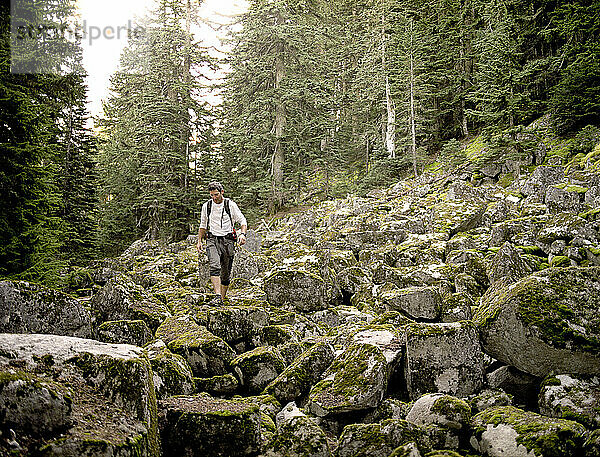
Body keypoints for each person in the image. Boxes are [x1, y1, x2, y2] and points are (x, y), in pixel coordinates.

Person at [197, 181, 247, 301]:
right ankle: (217, 296)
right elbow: (203, 225)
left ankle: (222, 299)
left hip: (228, 240)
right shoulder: (207, 206)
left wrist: (242, 234)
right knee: (214, 266)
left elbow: (243, 221)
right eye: (212, 195)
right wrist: (199, 241)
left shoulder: (230, 205)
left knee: (225, 273)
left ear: (222, 192)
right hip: (212, 239)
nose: (214, 198)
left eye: (216, 195)